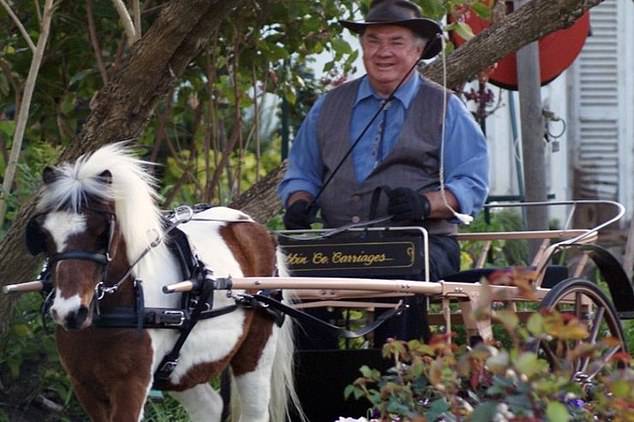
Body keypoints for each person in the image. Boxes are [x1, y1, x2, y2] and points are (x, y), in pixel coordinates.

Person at [278, 0, 489, 347]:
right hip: (340, 247)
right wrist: (299, 202)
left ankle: (401, 387)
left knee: (397, 276)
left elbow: (472, 183)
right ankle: (313, 390)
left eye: (396, 42)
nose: (383, 52)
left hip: (423, 245)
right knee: (292, 285)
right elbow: (302, 173)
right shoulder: (328, 105)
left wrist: (426, 204)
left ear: (419, 50)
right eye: (374, 41)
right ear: (362, 47)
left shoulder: (445, 107)